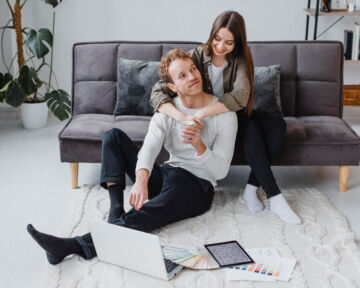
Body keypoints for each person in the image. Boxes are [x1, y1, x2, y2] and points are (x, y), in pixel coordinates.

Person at [27, 49, 238, 264]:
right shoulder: (167, 111)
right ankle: (116, 210)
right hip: (169, 173)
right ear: (172, 87)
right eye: (182, 75)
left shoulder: (225, 114)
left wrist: (199, 145)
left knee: (147, 213)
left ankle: (75, 246)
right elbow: (149, 148)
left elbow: (220, 171)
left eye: (193, 69)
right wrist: (141, 179)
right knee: (113, 137)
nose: (193, 77)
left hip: (197, 185)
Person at [150, 11, 301, 224]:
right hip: (213, 120)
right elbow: (158, 91)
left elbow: (241, 95)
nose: (221, 46)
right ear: (212, 35)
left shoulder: (239, 60)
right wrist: (183, 116)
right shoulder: (195, 56)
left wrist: (204, 112)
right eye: (217, 39)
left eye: (229, 42)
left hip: (228, 114)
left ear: (237, 42)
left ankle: (250, 189)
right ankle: (275, 196)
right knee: (252, 131)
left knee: (276, 124)